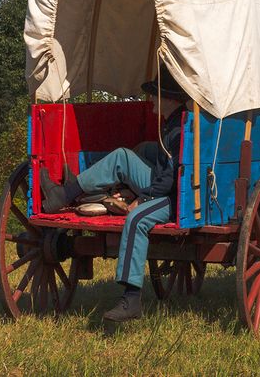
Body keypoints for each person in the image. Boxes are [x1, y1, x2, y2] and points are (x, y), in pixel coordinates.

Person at [38, 68, 188, 323]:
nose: (151, 100)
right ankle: (90, 191)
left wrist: (144, 198)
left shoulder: (179, 129)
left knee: (136, 215)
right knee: (141, 150)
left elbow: (171, 178)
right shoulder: (173, 123)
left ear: (170, 98)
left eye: (155, 95)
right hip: (164, 183)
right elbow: (165, 162)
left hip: (173, 197)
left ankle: (131, 300)